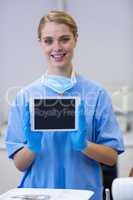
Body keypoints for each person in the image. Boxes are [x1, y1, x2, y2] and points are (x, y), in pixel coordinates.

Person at [5, 10, 124, 200]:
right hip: (38, 194)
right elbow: (20, 164)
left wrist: (84, 145)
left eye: (64, 39)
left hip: (85, 194)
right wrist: (32, 146)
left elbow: (111, 157)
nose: (57, 47)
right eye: (49, 40)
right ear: (40, 43)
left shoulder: (96, 94)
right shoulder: (24, 97)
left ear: (76, 39)